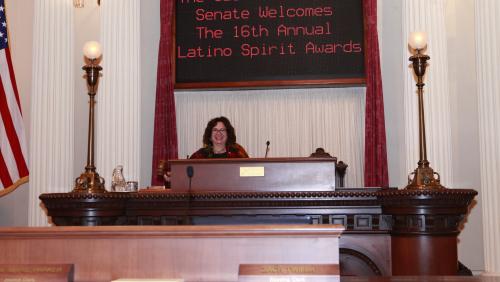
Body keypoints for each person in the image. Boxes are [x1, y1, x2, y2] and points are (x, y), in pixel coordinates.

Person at [162, 116, 248, 184]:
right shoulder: (199, 156)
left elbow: (249, 175)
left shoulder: (237, 153)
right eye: (215, 130)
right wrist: (172, 179)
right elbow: (186, 178)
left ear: (228, 134)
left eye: (222, 130)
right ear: (209, 135)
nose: (219, 133)